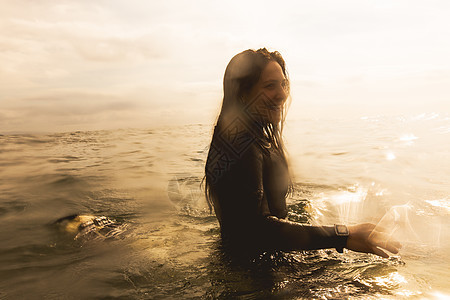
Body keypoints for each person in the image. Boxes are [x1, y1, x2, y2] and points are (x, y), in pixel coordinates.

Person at [204, 48, 401, 258]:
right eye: (270, 86)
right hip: (253, 278)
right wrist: (344, 235)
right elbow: (254, 231)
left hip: (264, 263)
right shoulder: (241, 146)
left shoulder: (253, 140)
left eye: (283, 84)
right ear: (243, 93)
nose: (282, 94)